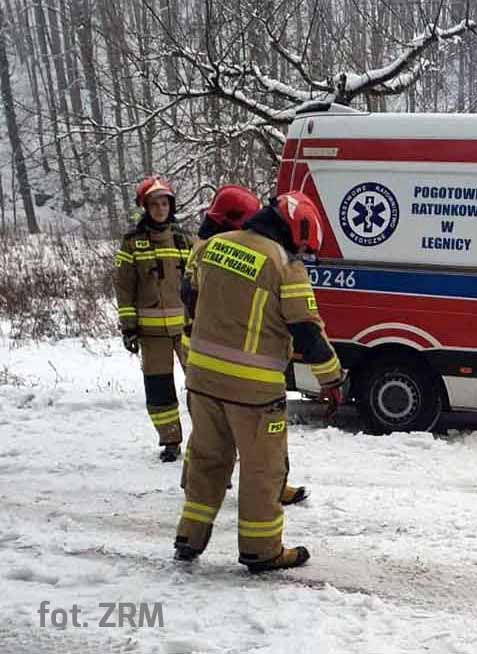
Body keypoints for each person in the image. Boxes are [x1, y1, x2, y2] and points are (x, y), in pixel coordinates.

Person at [174, 191, 344, 572]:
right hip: (253, 393)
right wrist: (332, 379)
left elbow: (189, 298)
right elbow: (308, 333)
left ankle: (189, 536)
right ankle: (261, 549)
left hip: (201, 379)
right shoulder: (284, 265)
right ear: (296, 231)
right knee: (262, 470)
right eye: (304, 247)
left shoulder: (211, 247)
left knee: (207, 459)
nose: (302, 254)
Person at [179, 185, 310, 506]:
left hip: (211, 350)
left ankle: (205, 481)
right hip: (221, 350)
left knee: (213, 426)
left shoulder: (217, 246)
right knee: (236, 429)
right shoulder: (211, 249)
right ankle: (201, 482)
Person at [114, 177, 192, 462]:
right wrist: (129, 328)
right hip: (151, 333)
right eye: (155, 204)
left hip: (186, 329)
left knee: (203, 385)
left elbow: (199, 281)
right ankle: (170, 441)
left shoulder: (184, 239)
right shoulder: (132, 243)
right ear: (145, 208)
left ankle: (211, 439)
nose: (160, 209)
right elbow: (124, 288)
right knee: (159, 389)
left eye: (165, 203)